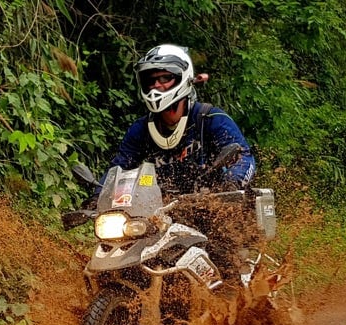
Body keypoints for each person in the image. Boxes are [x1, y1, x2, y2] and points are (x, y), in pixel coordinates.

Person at [91, 44, 259, 282]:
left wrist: (231, 183)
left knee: (224, 255)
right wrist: (97, 196)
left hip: (212, 206)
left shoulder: (210, 119)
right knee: (118, 257)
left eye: (165, 78)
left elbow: (243, 156)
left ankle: (236, 308)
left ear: (184, 79)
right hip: (161, 213)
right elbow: (119, 167)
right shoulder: (140, 130)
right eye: (152, 80)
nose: (157, 86)